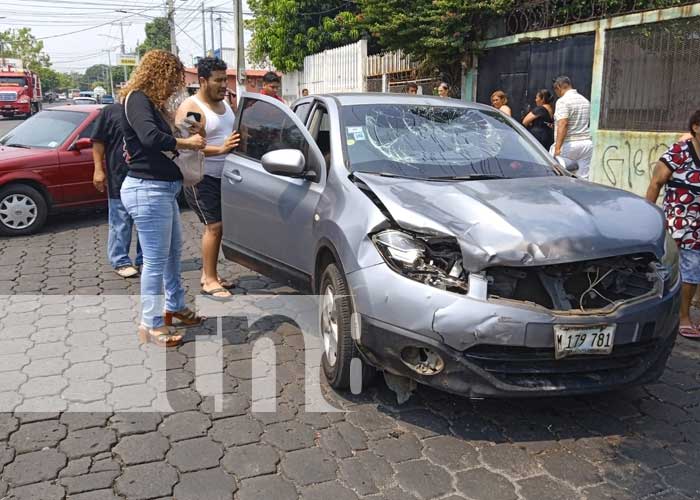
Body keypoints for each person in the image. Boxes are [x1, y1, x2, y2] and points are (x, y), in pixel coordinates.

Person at [119, 49, 207, 347]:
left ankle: (174, 307)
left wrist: (184, 128)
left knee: (171, 256)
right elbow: (150, 138)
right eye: (173, 79)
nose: (174, 86)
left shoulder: (149, 103)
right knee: (156, 262)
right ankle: (151, 323)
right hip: (147, 189)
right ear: (160, 74)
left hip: (161, 189)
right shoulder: (138, 99)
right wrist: (187, 141)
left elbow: (160, 133)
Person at [175, 57, 240, 299]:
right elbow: (187, 146)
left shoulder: (225, 106)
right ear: (202, 81)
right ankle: (209, 280)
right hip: (201, 177)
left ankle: (209, 274)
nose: (225, 85)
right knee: (214, 226)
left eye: (225, 79)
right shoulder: (192, 109)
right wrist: (221, 149)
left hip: (227, 177)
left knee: (221, 227)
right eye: (219, 80)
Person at [646, 110, 700, 339]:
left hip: (698, 227)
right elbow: (656, 182)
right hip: (677, 223)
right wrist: (646, 215)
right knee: (677, 270)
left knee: (694, 272)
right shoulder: (680, 152)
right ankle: (674, 316)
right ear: (696, 127)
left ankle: (684, 316)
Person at [91, 102, 143, 278]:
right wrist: (98, 169)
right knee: (120, 222)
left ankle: (144, 259)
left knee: (146, 221)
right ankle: (120, 261)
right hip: (119, 177)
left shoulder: (149, 110)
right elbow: (98, 141)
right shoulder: (111, 111)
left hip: (147, 177)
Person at [552, 75, 593, 179]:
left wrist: (557, 148)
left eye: (555, 89)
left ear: (559, 87)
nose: (556, 93)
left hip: (568, 145)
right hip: (586, 145)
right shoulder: (585, 101)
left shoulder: (563, 101)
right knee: (583, 178)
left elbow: (563, 124)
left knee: (560, 176)